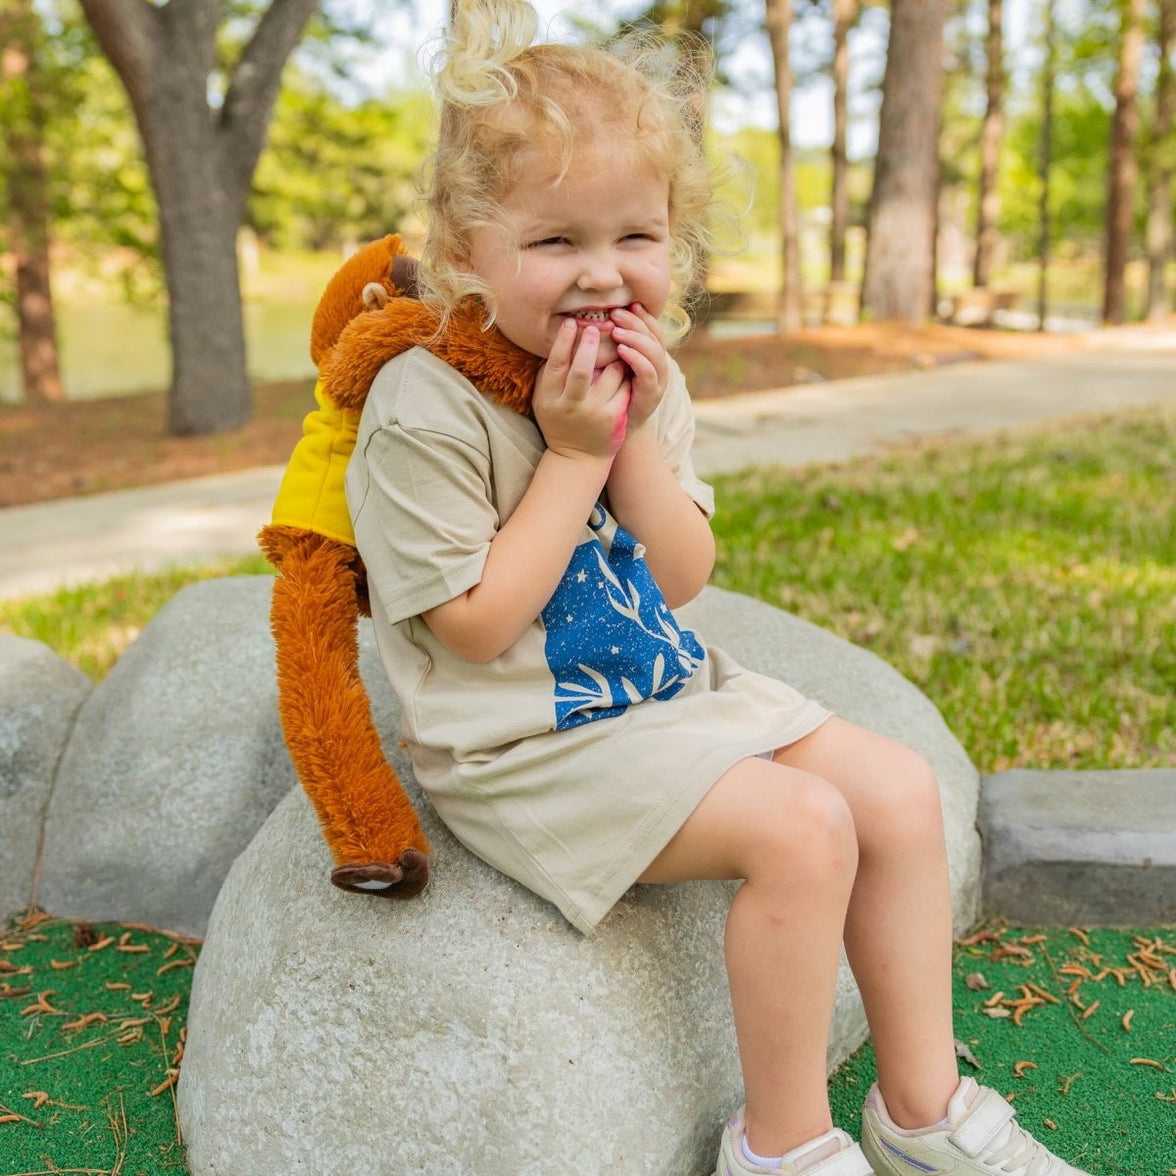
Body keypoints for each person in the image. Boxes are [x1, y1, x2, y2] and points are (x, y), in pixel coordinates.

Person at [343, 4, 1093, 1174]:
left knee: (893, 789)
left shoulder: (647, 376)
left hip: (662, 698)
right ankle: (783, 1147)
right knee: (804, 829)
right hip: (525, 742)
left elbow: (684, 573)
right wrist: (575, 457)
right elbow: (478, 629)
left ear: (676, 244)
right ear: (465, 251)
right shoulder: (424, 408)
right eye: (554, 243)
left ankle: (922, 1113)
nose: (602, 275)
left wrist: (623, 437)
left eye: (635, 236)